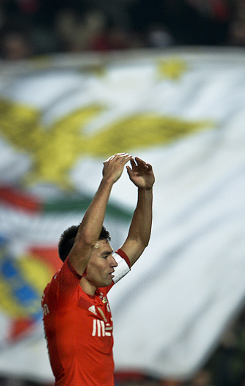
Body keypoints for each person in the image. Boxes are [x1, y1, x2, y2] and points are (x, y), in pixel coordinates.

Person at [41, 152, 154, 385]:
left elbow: (138, 241)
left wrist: (145, 191)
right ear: (81, 262)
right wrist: (107, 182)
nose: (114, 261)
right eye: (105, 256)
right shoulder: (63, 295)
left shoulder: (99, 291)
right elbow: (85, 241)